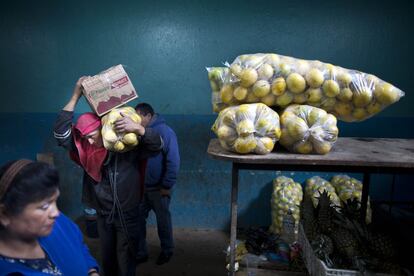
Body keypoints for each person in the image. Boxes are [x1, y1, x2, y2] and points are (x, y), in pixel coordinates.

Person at [53, 77, 163, 276]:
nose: (88, 139)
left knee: (126, 255)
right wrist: (76, 94)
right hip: (103, 212)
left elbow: (157, 145)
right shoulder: (84, 148)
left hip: (128, 211)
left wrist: (139, 129)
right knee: (108, 257)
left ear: (104, 131)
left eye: (92, 134)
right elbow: (61, 132)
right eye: (84, 135)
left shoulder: (126, 146)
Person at [0, 159, 99, 275]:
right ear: (4, 214)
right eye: (44, 206)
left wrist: (91, 271)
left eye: (54, 201)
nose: (56, 213)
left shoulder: (57, 223)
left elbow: (79, 245)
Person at [135, 103, 180, 265]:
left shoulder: (165, 132)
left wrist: (167, 186)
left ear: (148, 116)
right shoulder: (139, 133)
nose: (136, 120)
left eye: (138, 116)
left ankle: (167, 250)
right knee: (138, 220)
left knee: (163, 221)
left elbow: (173, 160)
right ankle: (141, 252)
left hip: (159, 189)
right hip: (141, 188)